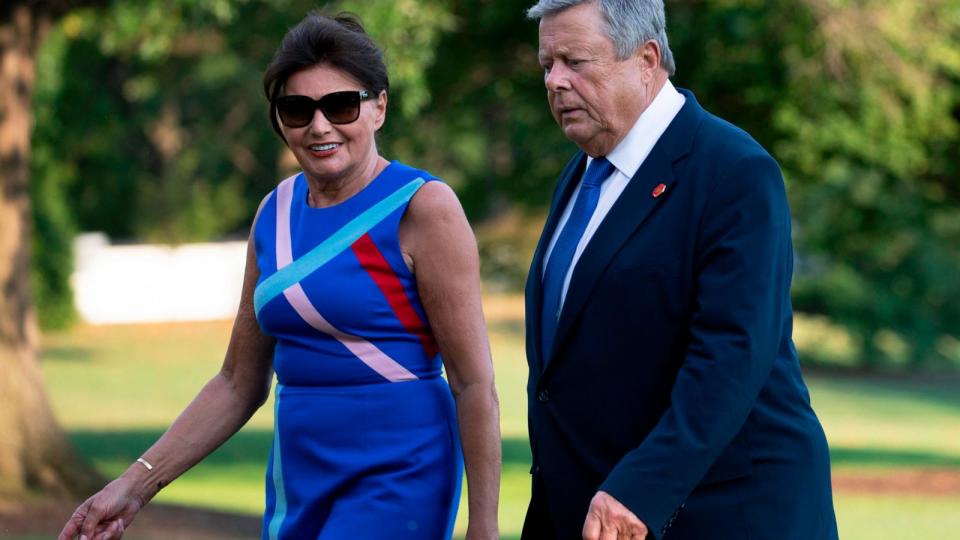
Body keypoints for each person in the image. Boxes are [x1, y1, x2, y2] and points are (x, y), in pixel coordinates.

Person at [59, 13, 500, 540]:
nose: (319, 126)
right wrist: (134, 485)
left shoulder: (424, 207)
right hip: (298, 477)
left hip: (399, 475)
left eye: (340, 105)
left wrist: (485, 527)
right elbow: (237, 383)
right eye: (297, 109)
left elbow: (474, 383)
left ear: (379, 106)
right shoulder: (275, 210)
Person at [521, 1, 838, 539]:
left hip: (720, 513)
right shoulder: (580, 175)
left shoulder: (734, 171)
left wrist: (642, 487)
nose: (555, 81)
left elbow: (731, 357)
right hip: (588, 511)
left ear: (646, 59)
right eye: (547, 64)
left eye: (575, 61)